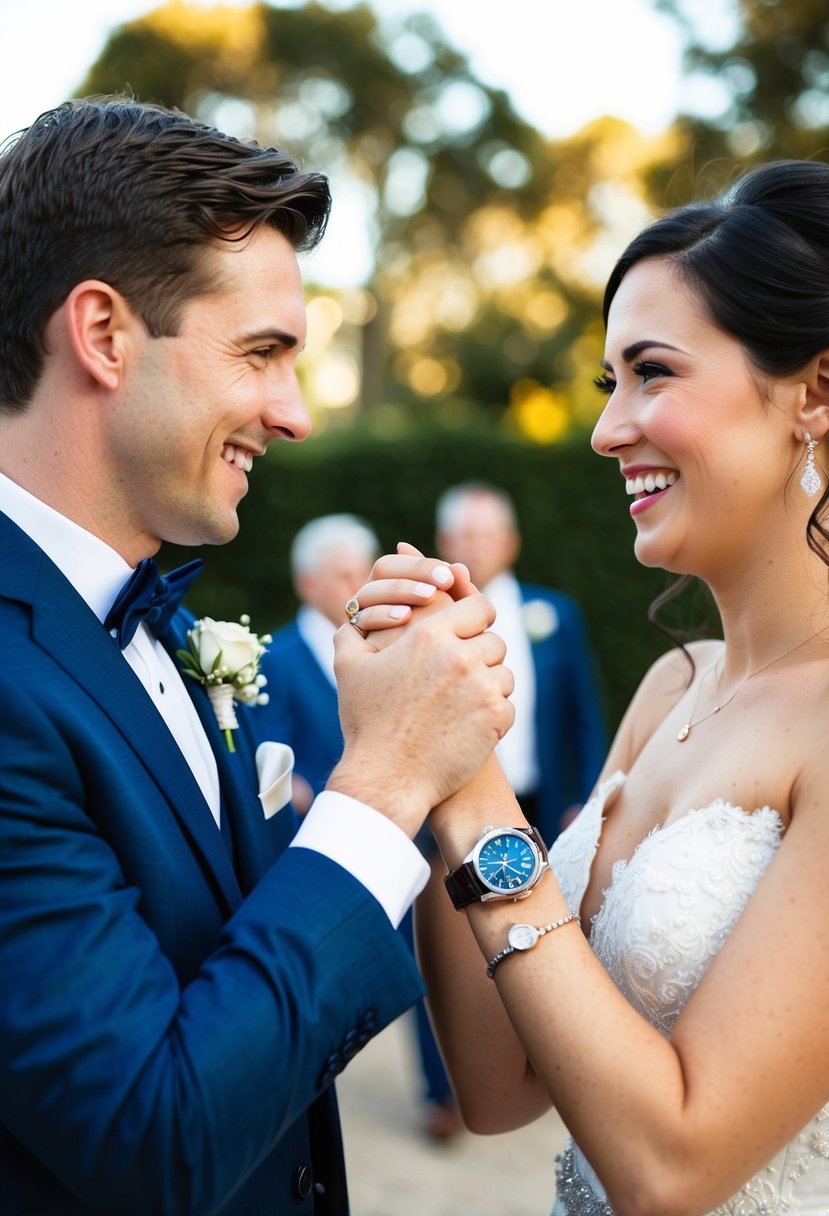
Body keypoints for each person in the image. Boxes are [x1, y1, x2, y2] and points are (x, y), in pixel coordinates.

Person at [0, 96, 514, 1215]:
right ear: (101, 334)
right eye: (262, 353)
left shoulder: (176, 636)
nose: (294, 415)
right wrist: (382, 782)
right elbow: (153, 1133)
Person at [355, 160, 829, 1213]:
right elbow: (497, 1083)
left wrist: (481, 803)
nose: (606, 428)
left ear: (816, 392)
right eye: (609, 380)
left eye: (652, 372)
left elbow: (673, 1166)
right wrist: (440, 745)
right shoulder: (669, 686)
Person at [253, 512, 460, 1138]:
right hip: (324, 842)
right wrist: (303, 789)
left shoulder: (395, 646)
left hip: (409, 833)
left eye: (361, 568)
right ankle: (298, 1100)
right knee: (327, 971)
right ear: (308, 582)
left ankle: (442, 1095)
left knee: (428, 964)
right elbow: (268, 750)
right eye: (342, 571)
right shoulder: (278, 657)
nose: (354, 582)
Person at [436, 482, 605, 842]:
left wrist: (587, 798)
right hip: (457, 807)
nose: (476, 546)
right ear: (445, 542)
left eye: (487, 535)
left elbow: (584, 717)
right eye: (465, 535)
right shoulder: (429, 624)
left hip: (543, 801)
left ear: (509, 543)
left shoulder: (554, 614)